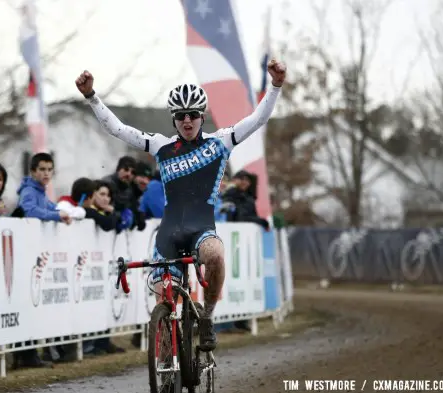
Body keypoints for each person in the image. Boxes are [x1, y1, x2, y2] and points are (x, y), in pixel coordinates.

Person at [74, 58, 286, 352]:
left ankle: (208, 319)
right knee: (164, 296)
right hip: (170, 231)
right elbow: (119, 129)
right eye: (181, 115)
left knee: (215, 254)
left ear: (202, 117)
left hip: (202, 227)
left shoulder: (220, 142)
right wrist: (91, 96)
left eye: (193, 115)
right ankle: (166, 356)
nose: (187, 121)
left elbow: (257, 120)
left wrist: (275, 86)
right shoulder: (161, 145)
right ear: (174, 119)